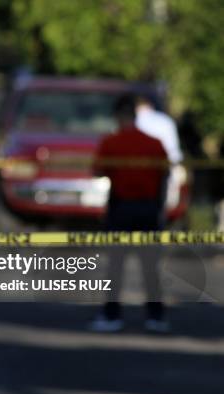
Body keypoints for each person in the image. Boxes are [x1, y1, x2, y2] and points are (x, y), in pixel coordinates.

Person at [88, 94, 170, 333]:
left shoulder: (111, 143)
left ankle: (112, 315)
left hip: (121, 208)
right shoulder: (154, 144)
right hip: (148, 208)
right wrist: (159, 208)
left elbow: (97, 171)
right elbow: (164, 176)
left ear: (118, 116)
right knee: (150, 265)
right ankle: (156, 317)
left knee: (115, 265)